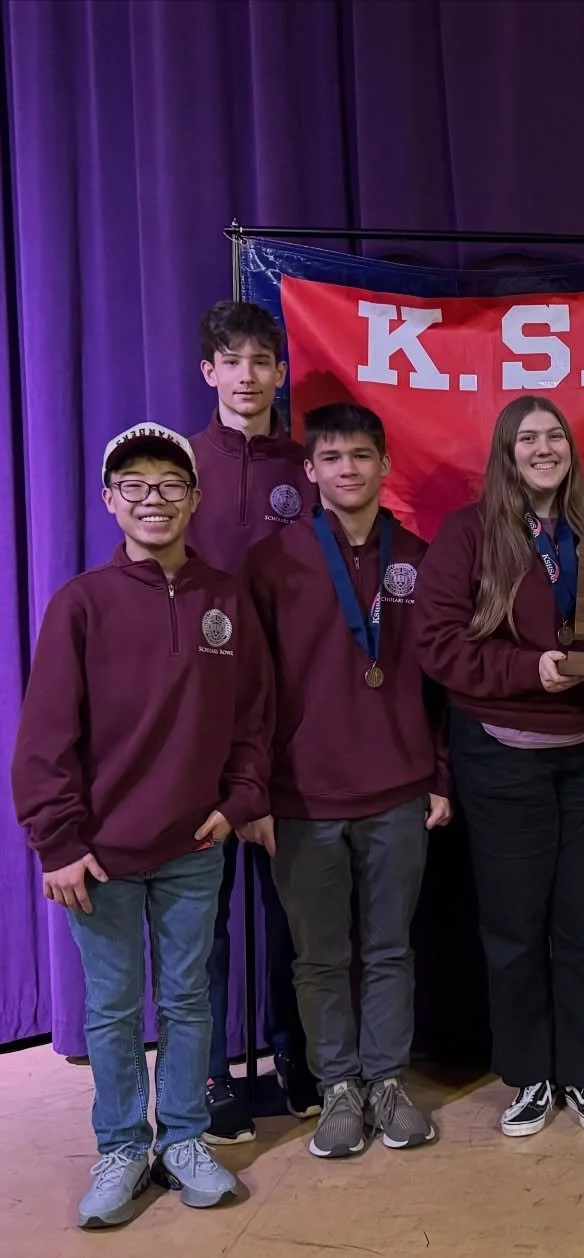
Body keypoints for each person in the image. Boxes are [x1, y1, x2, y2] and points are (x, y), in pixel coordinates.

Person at [10, 424, 272, 1227]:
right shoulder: (82, 603)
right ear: (109, 501)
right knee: (114, 1008)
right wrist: (58, 842)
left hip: (195, 845)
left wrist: (237, 801)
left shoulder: (225, 597)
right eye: (135, 486)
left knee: (190, 998)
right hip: (101, 855)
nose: (153, 499)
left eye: (170, 485)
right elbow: (45, 735)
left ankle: (184, 1137)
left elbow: (253, 716)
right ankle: (123, 1146)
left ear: (194, 499)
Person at [415, 396, 584, 1138]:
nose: (545, 449)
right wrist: (526, 669)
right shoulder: (468, 533)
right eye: (529, 438)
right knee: (514, 924)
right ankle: (531, 1075)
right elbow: (437, 644)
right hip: (502, 753)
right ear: (506, 453)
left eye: (555, 436)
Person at [241, 403, 451, 1158]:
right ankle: (337, 1087)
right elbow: (249, 690)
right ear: (310, 471)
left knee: (391, 949)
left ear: (385, 464)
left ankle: (387, 1081)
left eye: (362, 456)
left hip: (398, 788)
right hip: (303, 797)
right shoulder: (271, 564)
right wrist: (252, 792)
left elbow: (442, 683)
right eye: (331, 458)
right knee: (320, 956)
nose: (348, 469)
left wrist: (440, 775)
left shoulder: (419, 557)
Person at [189, 300, 319, 1141]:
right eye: (231, 360)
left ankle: (293, 1057)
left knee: (289, 912)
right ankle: (209, 1076)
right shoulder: (183, 464)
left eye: (261, 360)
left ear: (280, 372)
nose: (246, 375)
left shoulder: (310, 465)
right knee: (202, 922)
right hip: (199, 722)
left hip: (291, 720)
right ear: (209, 372)